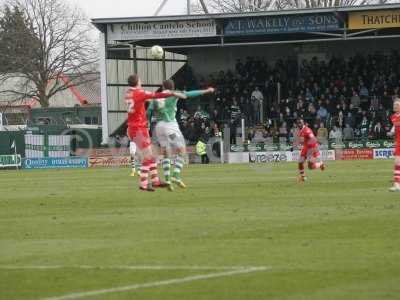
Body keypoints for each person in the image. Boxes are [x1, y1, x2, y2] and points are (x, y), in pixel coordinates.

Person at [147, 80, 215, 190]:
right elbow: (190, 94)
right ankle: (176, 175)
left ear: (163, 87)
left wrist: (148, 123)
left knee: (165, 153)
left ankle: (168, 179)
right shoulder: (174, 94)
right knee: (182, 150)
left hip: (159, 128)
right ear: (173, 87)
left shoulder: (157, 97)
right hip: (170, 127)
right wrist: (206, 90)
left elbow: (149, 111)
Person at [125, 74, 186, 192]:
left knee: (151, 156)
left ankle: (155, 181)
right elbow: (156, 95)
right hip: (138, 128)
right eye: (140, 80)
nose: (141, 81)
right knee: (147, 157)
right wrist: (172, 93)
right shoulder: (139, 92)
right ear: (137, 82)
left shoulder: (128, 93)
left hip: (135, 127)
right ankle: (143, 184)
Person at [295, 118, 325, 182]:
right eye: (298, 123)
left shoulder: (307, 130)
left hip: (311, 148)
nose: (299, 124)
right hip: (305, 147)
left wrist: (318, 142)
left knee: (310, 167)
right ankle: (303, 177)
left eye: (300, 123)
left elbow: (312, 138)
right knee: (300, 162)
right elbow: (300, 139)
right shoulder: (299, 130)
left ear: (303, 123)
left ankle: (320, 164)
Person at [389, 98, 400, 192]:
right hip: (398, 141)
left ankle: (397, 184)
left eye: (397, 105)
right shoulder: (392, 117)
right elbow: (395, 127)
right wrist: (391, 132)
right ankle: (397, 184)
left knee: (397, 162)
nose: (395, 106)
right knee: (397, 162)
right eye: (394, 105)